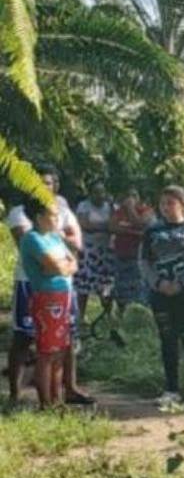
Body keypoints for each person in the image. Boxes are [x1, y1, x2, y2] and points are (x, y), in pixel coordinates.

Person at [6, 166, 93, 405]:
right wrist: (63, 259)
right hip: (31, 285)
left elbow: (77, 245)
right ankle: (15, 393)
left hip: (63, 288)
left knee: (65, 338)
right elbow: (35, 251)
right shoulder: (20, 213)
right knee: (25, 337)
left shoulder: (60, 210)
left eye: (50, 182)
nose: (47, 187)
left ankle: (69, 388)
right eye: (41, 182)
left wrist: (64, 258)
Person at [139, 185, 184, 411]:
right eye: (163, 204)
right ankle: (171, 389)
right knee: (167, 339)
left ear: (183, 205)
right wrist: (158, 283)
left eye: (171, 203)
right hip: (160, 292)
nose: (166, 208)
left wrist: (182, 283)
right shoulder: (152, 231)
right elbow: (144, 261)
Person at [18, 199, 77, 407]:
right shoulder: (32, 239)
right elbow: (55, 266)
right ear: (39, 217)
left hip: (64, 295)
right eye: (52, 215)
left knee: (60, 350)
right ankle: (45, 402)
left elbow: (72, 262)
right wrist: (60, 266)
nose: (57, 218)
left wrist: (61, 265)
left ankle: (56, 397)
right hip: (47, 298)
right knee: (47, 351)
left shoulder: (54, 237)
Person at [74, 180, 116, 318]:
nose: (100, 195)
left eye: (102, 191)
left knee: (106, 285)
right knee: (84, 285)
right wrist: (105, 227)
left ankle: (108, 315)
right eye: (96, 192)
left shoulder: (110, 207)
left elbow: (114, 225)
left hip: (106, 251)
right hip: (88, 250)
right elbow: (85, 225)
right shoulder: (84, 206)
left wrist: (100, 227)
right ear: (90, 193)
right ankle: (81, 315)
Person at [110, 187, 153, 314]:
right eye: (127, 196)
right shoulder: (118, 212)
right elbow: (112, 227)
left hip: (139, 256)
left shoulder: (147, 211)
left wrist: (130, 209)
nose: (130, 199)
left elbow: (140, 223)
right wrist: (134, 232)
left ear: (138, 198)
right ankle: (121, 313)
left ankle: (139, 315)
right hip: (121, 255)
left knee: (139, 287)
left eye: (134, 195)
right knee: (121, 288)